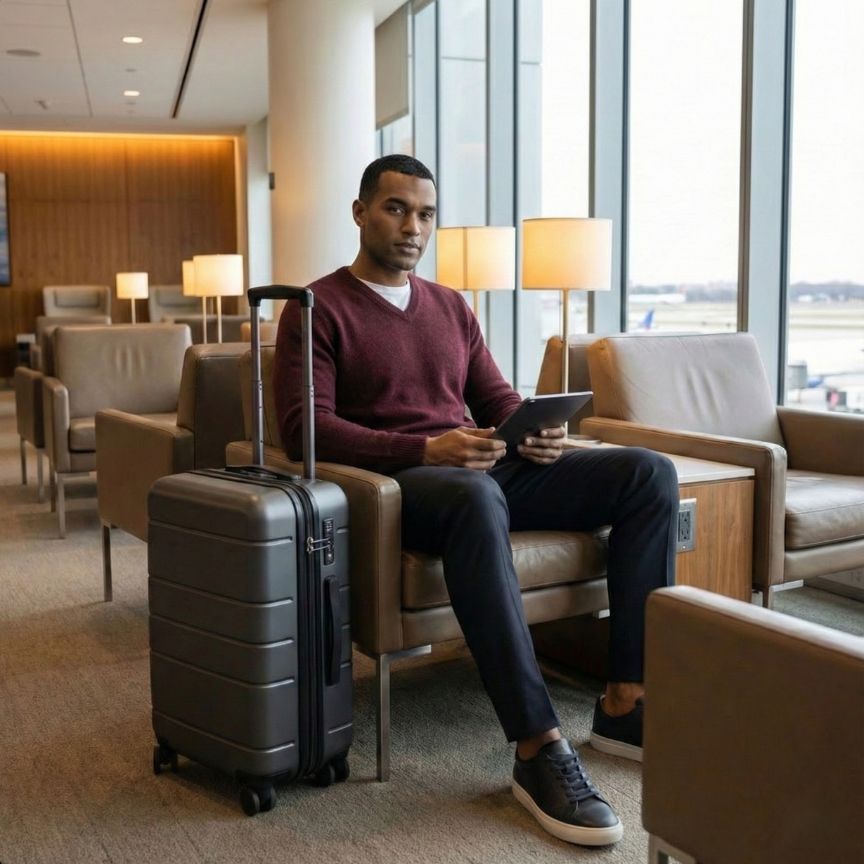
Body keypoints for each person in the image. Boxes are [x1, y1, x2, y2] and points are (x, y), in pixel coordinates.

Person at [273, 154, 679, 847]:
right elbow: (304, 427)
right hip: (407, 485)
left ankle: (626, 702)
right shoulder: (317, 308)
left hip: (475, 471)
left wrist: (537, 431)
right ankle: (536, 743)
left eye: (426, 213)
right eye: (396, 208)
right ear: (361, 212)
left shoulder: (451, 306)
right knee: (473, 496)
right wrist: (425, 449)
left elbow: (494, 399)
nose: (413, 226)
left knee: (648, 475)